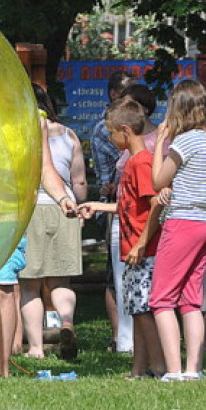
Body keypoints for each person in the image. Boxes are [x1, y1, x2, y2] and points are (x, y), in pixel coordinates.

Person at [78, 98, 166, 379]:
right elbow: (129, 205)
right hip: (131, 251)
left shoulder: (141, 164)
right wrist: (99, 206)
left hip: (144, 252)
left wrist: (141, 243)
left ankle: (160, 366)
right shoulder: (130, 163)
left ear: (125, 131)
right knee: (136, 311)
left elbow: (155, 204)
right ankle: (139, 370)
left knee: (144, 312)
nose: (109, 137)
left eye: (111, 132)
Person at [149, 80, 206, 381]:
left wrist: (160, 143)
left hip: (183, 222)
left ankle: (173, 370)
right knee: (191, 299)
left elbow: (157, 181)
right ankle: (193, 369)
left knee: (161, 299)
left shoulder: (184, 142)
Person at [19, 85, 87, 360]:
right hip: (64, 205)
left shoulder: (20, 129)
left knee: (30, 284)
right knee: (61, 281)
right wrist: (79, 205)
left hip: (32, 207)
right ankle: (67, 322)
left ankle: (36, 348)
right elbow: (79, 180)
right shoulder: (69, 134)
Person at [91, 70, 136, 353]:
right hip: (115, 206)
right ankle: (120, 335)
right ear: (113, 96)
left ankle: (132, 337)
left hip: (127, 203)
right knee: (115, 274)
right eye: (128, 96)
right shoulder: (107, 129)